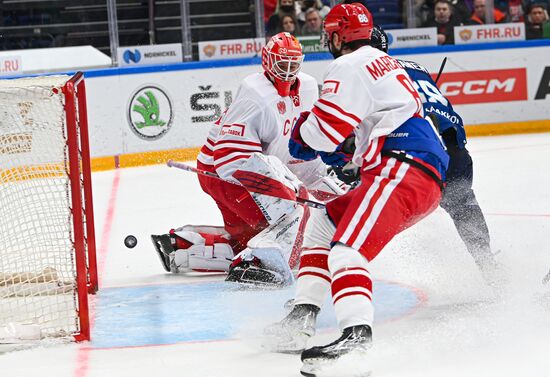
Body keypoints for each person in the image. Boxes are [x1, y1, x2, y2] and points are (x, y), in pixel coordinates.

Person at [264, 4, 449, 375]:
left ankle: (356, 340)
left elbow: (324, 131)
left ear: (336, 36)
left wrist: (302, 133)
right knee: (323, 222)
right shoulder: (383, 61)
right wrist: (345, 146)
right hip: (407, 166)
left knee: (347, 251)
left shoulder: (349, 65)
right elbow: (354, 128)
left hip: (400, 167)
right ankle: (303, 314)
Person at [151, 32, 343, 287]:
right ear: (267, 61)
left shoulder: (307, 87)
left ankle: (182, 247)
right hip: (223, 175)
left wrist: (330, 190)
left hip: (240, 172)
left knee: (251, 236)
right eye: (281, 64)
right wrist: (286, 189)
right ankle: (256, 265)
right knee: (293, 219)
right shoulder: (256, 94)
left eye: (292, 64)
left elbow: (298, 151)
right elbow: (229, 158)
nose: (287, 72)